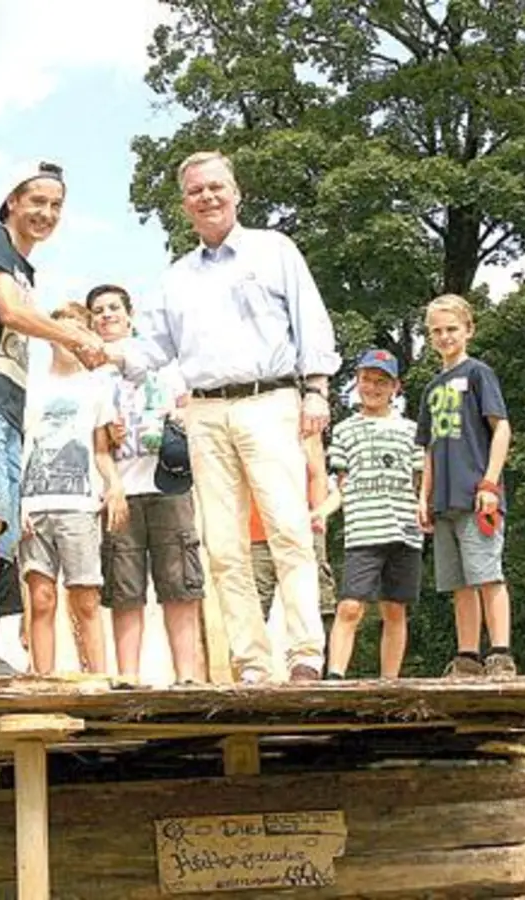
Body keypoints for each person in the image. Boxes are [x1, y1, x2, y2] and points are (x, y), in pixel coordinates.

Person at [103, 150, 341, 684]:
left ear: (236, 192)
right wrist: (102, 350)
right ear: (184, 204)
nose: (207, 197)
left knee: (287, 528)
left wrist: (317, 390)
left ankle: (304, 654)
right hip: (205, 411)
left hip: (270, 399)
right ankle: (252, 662)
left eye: (216, 187)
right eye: (195, 191)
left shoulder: (274, 249)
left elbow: (312, 321)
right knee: (224, 546)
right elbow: (149, 352)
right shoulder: (176, 277)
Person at [0, 161, 107, 682]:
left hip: (7, 409)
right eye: (37, 201)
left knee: (0, 533)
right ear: (11, 201)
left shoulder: (27, 270)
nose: (46, 213)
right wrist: (74, 336)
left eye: (55, 206)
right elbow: (9, 312)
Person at [88, 284, 205, 684]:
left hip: (168, 482)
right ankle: (129, 677)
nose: (106, 315)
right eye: (98, 311)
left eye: (113, 308)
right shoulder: (90, 373)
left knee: (180, 584)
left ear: (129, 314)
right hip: (118, 488)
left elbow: (192, 409)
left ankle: (187, 677)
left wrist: (174, 421)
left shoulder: (162, 363)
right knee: (124, 588)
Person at [17, 303, 127, 675]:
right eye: (60, 330)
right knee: (41, 598)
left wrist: (114, 485)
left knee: (85, 598)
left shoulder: (95, 386)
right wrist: (17, 502)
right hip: (34, 503)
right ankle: (43, 679)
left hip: (79, 503)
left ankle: (97, 677)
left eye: (76, 331)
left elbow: (100, 449)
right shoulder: (29, 386)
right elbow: (19, 445)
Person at [414, 294, 516, 678]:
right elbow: (427, 448)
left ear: (469, 330)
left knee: (487, 574)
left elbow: (501, 427)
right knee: (459, 583)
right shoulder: (430, 389)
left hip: (478, 495)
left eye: (451, 329)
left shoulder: (478, 374)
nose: (444, 337)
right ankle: (467, 656)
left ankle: (501, 653)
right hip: (443, 500)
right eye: (436, 331)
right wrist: (422, 497)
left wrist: (490, 482)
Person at [324, 349, 425, 680]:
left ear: (395, 386)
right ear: (357, 382)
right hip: (363, 530)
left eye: (381, 381)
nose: (373, 387)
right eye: (367, 379)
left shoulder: (411, 430)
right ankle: (335, 676)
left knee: (395, 608)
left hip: (404, 529)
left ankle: (389, 681)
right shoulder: (343, 430)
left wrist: (424, 510)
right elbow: (340, 484)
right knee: (350, 606)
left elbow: (420, 479)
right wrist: (321, 512)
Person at [248, 432, 340, 668]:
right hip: (256, 530)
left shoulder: (305, 428)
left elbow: (323, 478)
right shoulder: (241, 422)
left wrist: (319, 516)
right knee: (254, 606)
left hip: (303, 528)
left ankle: (323, 670)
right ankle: (252, 673)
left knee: (320, 603)